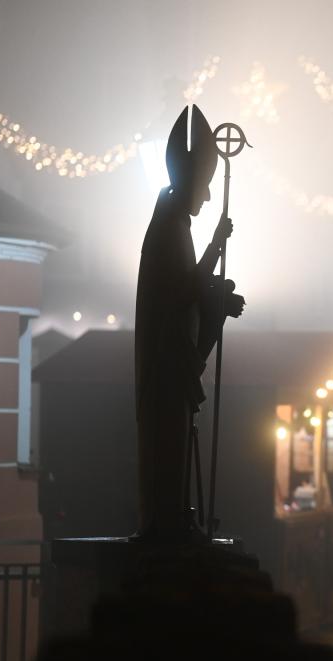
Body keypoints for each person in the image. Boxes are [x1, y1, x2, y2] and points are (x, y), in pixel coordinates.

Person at [134, 104, 245, 541]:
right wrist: (216, 244)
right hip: (166, 368)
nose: (209, 197)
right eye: (204, 186)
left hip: (174, 364)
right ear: (188, 183)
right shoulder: (169, 230)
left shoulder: (175, 225)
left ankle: (177, 517)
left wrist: (217, 298)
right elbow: (180, 292)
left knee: (180, 445)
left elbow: (187, 290)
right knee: (170, 445)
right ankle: (166, 523)